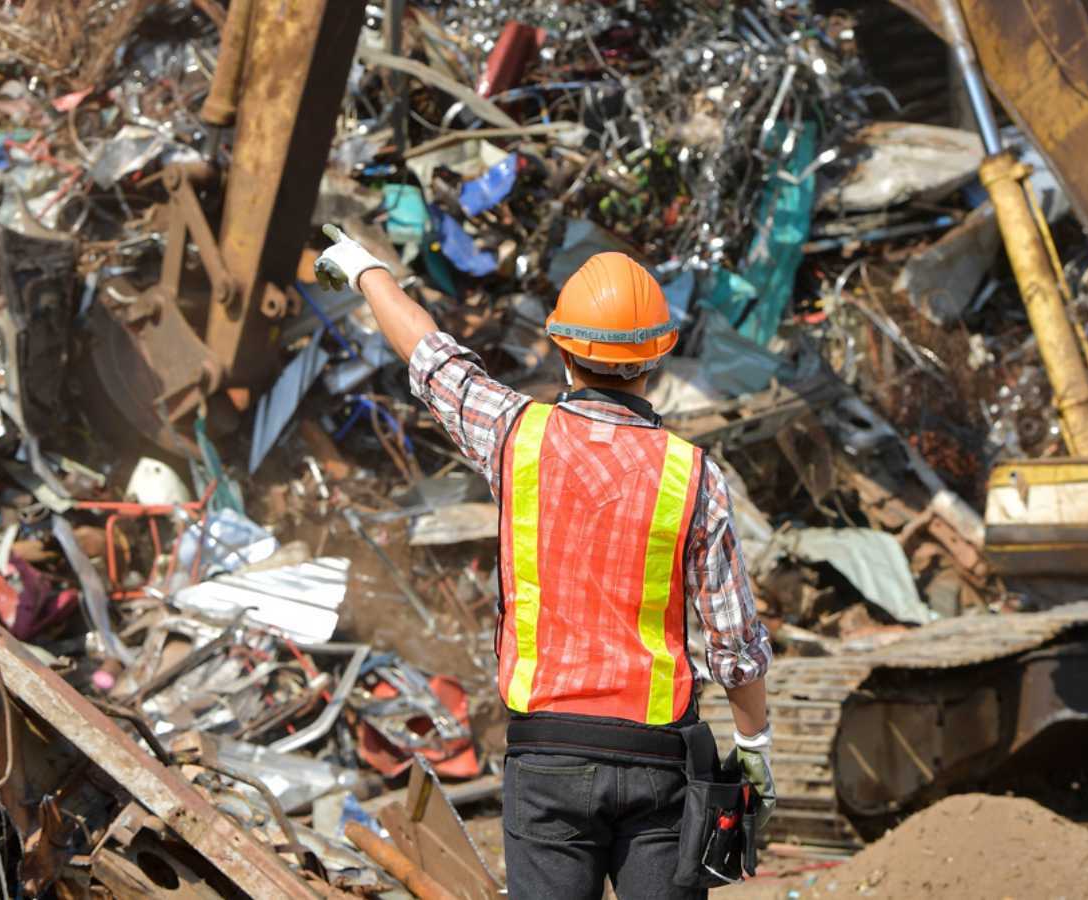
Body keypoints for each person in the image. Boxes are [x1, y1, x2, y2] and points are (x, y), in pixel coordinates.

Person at [316, 231, 775, 900]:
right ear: (657, 358)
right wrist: (755, 742)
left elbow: (432, 357)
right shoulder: (692, 474)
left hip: (547, 759)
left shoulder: (515, 435)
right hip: (659, 764)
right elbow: (733, 641)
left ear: (562, 352)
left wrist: (367, 272)